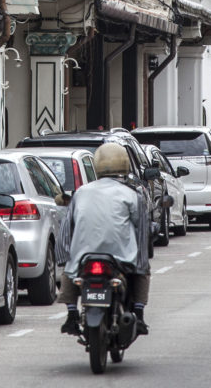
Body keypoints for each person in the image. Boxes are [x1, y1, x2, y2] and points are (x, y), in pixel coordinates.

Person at [57, 142, 152, 336]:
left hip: (84, 257)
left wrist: (64, 258)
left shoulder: (81, 192)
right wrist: (142, 260)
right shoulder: (132, 195)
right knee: (142, 271)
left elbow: (66, 230)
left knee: (69, 268)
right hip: (120, 258)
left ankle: (72, 314)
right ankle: (139, 315)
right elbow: (142, 231)